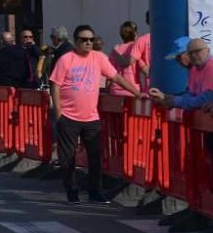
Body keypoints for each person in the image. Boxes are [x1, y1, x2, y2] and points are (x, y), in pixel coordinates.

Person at [50, 24, 144, 205]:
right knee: (68, 157)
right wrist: (59, 112)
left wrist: (137, 93)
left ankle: (95, 192)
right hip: (69, 116)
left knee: (96, 156)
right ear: (76, 42)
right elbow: (55, 84)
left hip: (91, 117)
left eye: (91, 40)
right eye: (84, 40)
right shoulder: (66, 59)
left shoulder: (99, 58)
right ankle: (72, 190)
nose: (88, 43)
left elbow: (116, 77)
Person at [149, 37, 213, 110]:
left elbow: (205, 99)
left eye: (179, 57)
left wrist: (173, 101)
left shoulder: (212, 67)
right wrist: (166, 98)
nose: (178, 61)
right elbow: (191, 95)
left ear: (186, 54)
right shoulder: (194, 69)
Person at [108, 21, 144, 98]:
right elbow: (144, 68)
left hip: (115, 90)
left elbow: (109, 72)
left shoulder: (115, 50)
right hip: (133, 91)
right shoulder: (137, 49)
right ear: (135, 34)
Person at [131, 11, 152, 91]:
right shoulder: (142, 40)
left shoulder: (141, 40)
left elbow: (135, 58)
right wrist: (144, 67)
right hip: (151, 85)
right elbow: (136, 58)